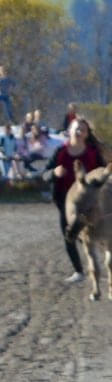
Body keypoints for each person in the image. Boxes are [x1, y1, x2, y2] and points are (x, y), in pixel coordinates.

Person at [48, 117, 105, 284]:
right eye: (76, 128)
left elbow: (102, 172)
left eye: (83, 129)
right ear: (69, 131)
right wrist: (53, 173)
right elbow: (44, 174)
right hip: (66, 203)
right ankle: (79, 272)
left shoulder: (92, 153)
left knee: (97, 236)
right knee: (70, 235)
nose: (79, 132)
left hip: (89, 203)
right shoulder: (60, 152)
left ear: (87, 134)